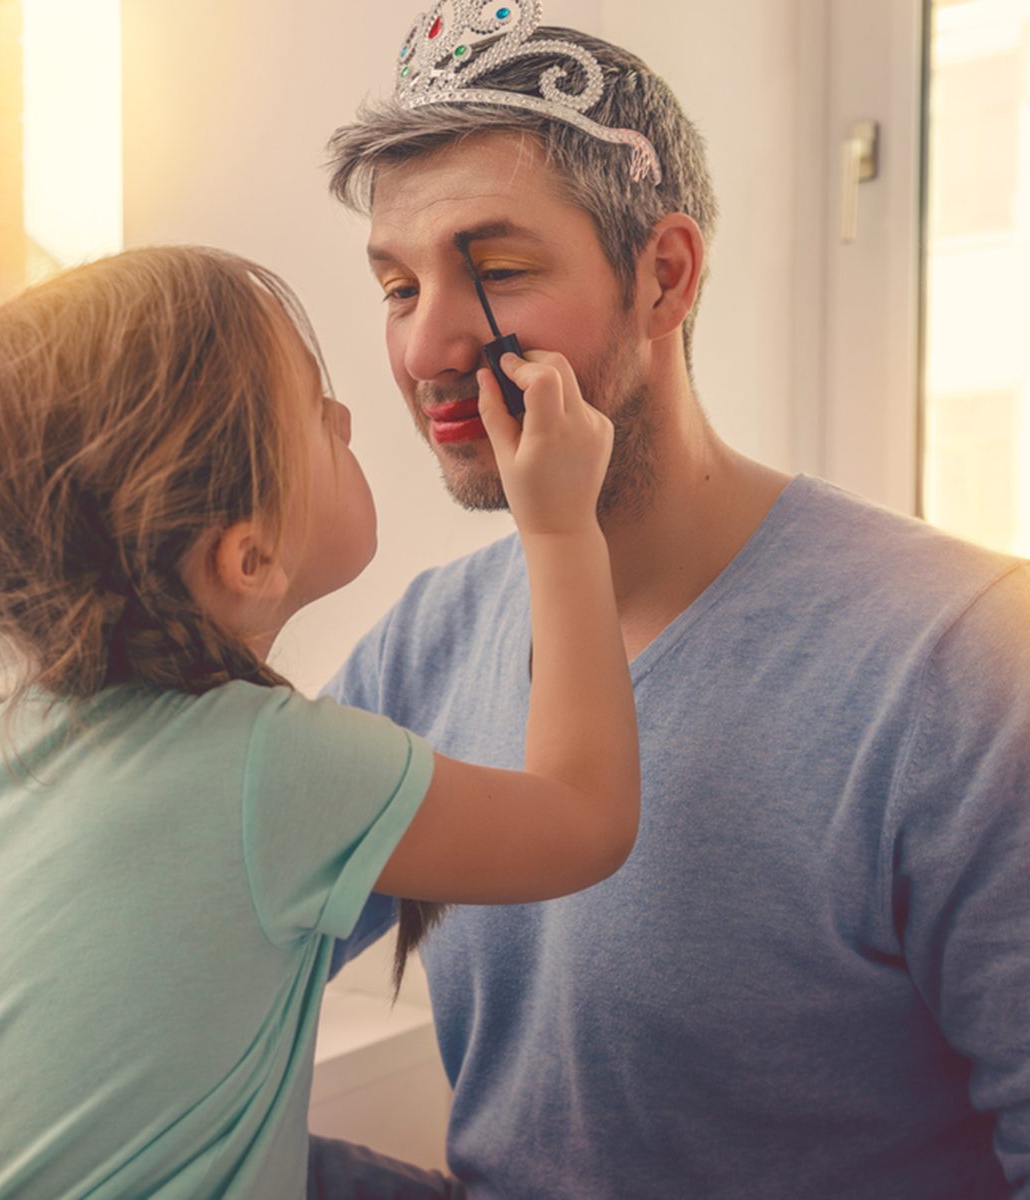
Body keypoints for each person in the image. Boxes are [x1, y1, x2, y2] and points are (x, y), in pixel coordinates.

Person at [317, 3, 1030, 1198]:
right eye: (396, 287)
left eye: (493, 270)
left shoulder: (963, 664)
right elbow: (207, 930)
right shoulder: (425, 646)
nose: (429, 345)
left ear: (665, 276)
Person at [0, 244, 641, 1197]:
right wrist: (558, 528)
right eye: (314, 409)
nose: (346, 413)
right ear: (247, 558)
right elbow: (584, 819)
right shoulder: (279, 762)